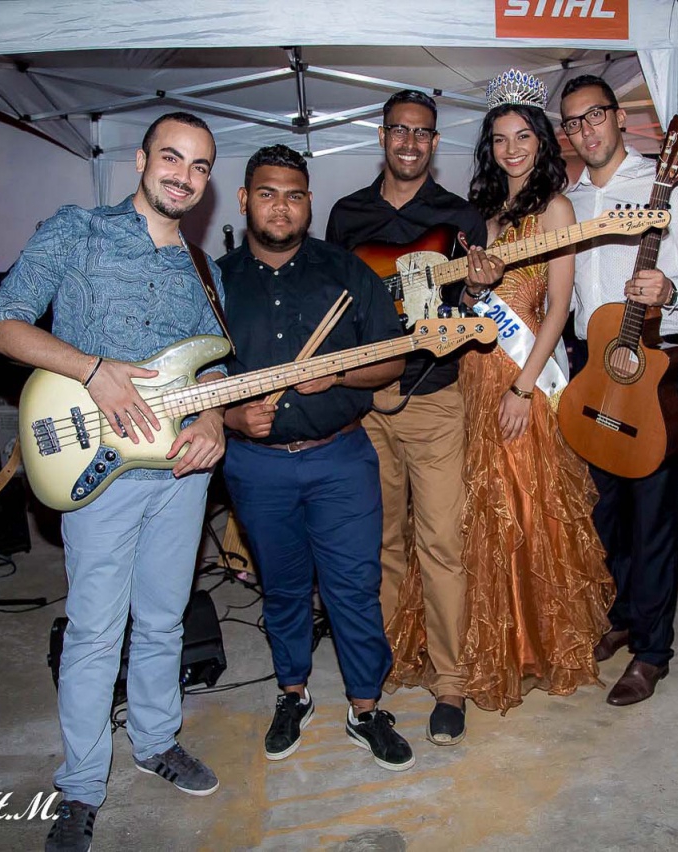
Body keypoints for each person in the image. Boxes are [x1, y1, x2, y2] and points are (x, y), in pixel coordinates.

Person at [0, 112, 228, 852]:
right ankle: (83, 785)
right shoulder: (77, 230)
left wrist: (214, 418)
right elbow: (1, 325)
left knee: (163, 619)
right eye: (172, 158)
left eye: (200, 166)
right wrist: (92, 370)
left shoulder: (201, 267)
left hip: (178, 471)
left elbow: (212, 366)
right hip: (97, 469)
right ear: (141, 161)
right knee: (95, 630)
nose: (184, 175)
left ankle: (155, 742)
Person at [389, 69, 613, 713]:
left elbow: (558, 308)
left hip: (523, 377)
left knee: (522, 508)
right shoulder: (480, 215)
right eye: (499, 138)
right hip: (471, 375)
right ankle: (465, 644)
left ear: (542, 140)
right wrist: (473, 290)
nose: (511, 149)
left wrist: (522, 386)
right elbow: (468, 303)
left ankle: (527, 645)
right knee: (466, 511)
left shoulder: (556, 209)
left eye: (523, 136)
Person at [217, 145, 415, 771]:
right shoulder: (214, 281)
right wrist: (230, 418)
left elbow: (393, 358)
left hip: (341, 458)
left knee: (354, 587)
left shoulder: (346, 270)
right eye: (268, 193)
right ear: (244, 200)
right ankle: (292, 694)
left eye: (295, 195)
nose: (282, 207)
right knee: (282, 588)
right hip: (257, 466)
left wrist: (339, 375)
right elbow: (190, 378)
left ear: (309, 202)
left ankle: (365, 708)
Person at [325, 90, 500, 746]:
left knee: (443, 544)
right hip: (366, 404)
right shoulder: (346, 215)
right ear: (381, 136)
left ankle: (451, 683)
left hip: (434, 398)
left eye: (421, 132)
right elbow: (337, 307)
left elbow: (471, 308)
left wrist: (476, 288)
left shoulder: (459, 216)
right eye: (398, 130)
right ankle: (387, 660)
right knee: (378, 544)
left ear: (434, 141)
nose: (408, 142)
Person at [558, 75, 678, 706]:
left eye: (595, 115)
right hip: (594, 367)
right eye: (572, 122)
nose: (585, 130)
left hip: (658, 369)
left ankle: (652, 651)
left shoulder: (667, 184)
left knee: (652, 518)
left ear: (620, 116)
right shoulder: (569, 199)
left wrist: (671, 290)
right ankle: (620, 617)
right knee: (604, 513)